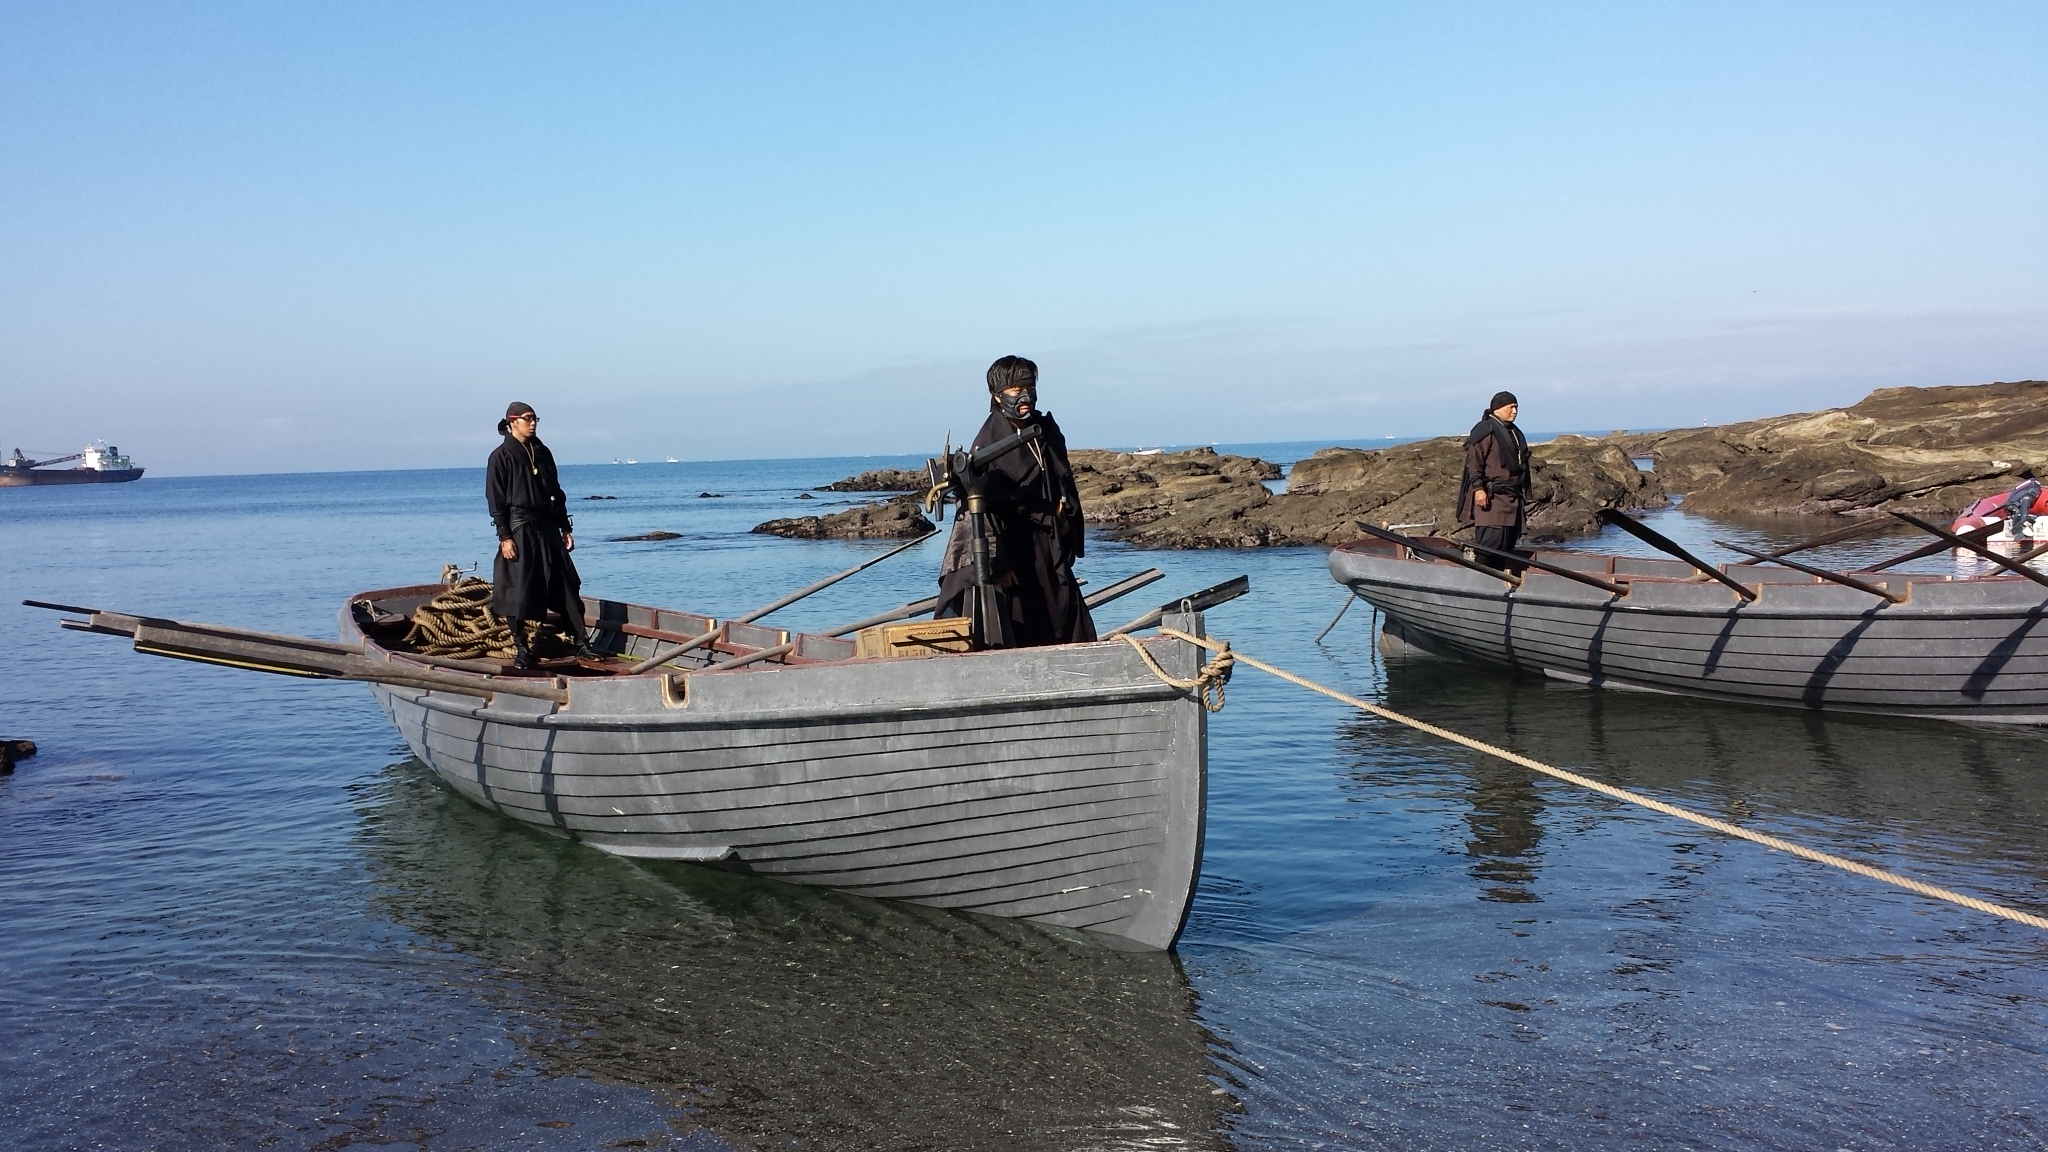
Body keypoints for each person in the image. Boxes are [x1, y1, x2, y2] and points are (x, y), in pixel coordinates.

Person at [936, 356, 1096, 647]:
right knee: (1022, 629)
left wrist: (1065, 520)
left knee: (1068, 623)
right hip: (1014, 556)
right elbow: (977, 508)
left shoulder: (1044, 431)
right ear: (997, 396)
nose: (1025, 395)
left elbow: (1061, 480)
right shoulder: (988, 442)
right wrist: (998, 566)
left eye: (1029, 386)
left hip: (1049, 548)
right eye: (1015, 389)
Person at [486, 401, 593, 667]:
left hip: (547, 526)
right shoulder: (500, 457)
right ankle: (522, 647)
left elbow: (555, 490)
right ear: (512, 422)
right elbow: (495, 499)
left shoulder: (542, 452)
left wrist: (564, 526)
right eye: (527, 418)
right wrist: (504, 537)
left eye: (535, 419)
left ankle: (582, 643)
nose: (532, 423)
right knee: (519, 588)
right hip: (519, 527)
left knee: (566, 583)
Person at [1457, 391, 1532, 560]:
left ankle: (1501, 582)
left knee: (1507, 546)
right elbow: (1474, 462)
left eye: (1516, 408)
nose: (1515, 411)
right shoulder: (1485, 430)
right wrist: (1478, 489)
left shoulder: (1515, 432)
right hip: (1491, 499)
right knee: (1489, 546)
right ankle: (1482, 580)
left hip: (1512, 498)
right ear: (1498, 408)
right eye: (1511, 407)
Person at [2004, 468, 2043, 539]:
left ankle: (2019, 527)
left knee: (2023, 506)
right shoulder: (2033, 484)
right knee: (2024, 505)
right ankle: (2020, 526)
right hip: (2027, 497)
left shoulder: (2032, 484)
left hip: (2025, 498)